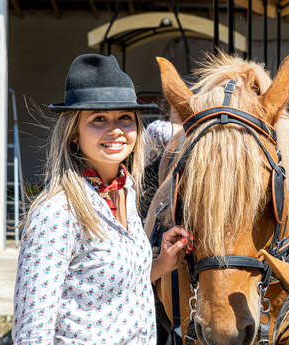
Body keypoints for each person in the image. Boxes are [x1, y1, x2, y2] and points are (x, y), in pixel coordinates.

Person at [12, 54, 191, 345]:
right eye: (98, 119)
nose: (116, 129)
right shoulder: (57, 211)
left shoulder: (125, 191)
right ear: (74, 134)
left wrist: (160, 264)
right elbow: (31, 333)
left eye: (125, 118)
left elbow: (110, 289)